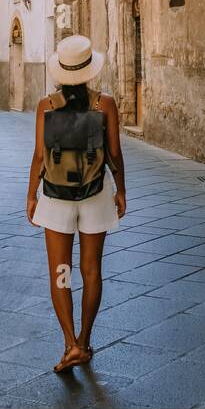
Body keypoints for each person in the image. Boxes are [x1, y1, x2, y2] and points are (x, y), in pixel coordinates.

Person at [26, 34, 126, 373]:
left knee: (61, 272)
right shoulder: (105, 104)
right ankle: (84, 341)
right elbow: (114, 154)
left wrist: (31, 194)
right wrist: (121, 190)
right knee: (92, 270)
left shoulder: (46, 106)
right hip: (97, 193)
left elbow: (40, 155)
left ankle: (69, 344)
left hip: (55, 196)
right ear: (89, 71)